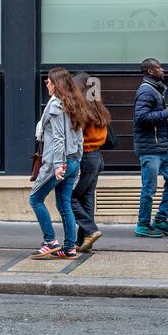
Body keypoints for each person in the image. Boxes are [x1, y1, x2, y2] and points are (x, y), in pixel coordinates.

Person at [29, 67, 89, 260]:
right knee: (64, 205)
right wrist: (76, 162)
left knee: (35, 199)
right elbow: (79, 137)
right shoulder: (73, 104)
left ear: (57, 84)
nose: (46, 83)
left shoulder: (55, 105)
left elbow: (58, 138)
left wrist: (57, 165)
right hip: (71, 162)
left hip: (59, 163)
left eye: (49, 80)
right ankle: (70, 248)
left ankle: (50, 242)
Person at [133, 57, 168, 238]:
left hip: (162, 147)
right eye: (159, 67)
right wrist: (166, 112)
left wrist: (166, 111)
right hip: (150, 149)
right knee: (149, 188)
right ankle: (142, 225)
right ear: (151, 71)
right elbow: (141, 117)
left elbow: (152, 115)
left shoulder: (155, 89)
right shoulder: (146, 91)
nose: (163, 70)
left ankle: (160, 220)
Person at [71, 70, 111, 253]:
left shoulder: (81, 110)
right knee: (86, 198)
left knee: (68, 197)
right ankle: (84, 241)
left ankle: (91, 230)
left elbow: (74, 134)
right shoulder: (99, 107)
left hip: (85, 157)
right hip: (97, 157)